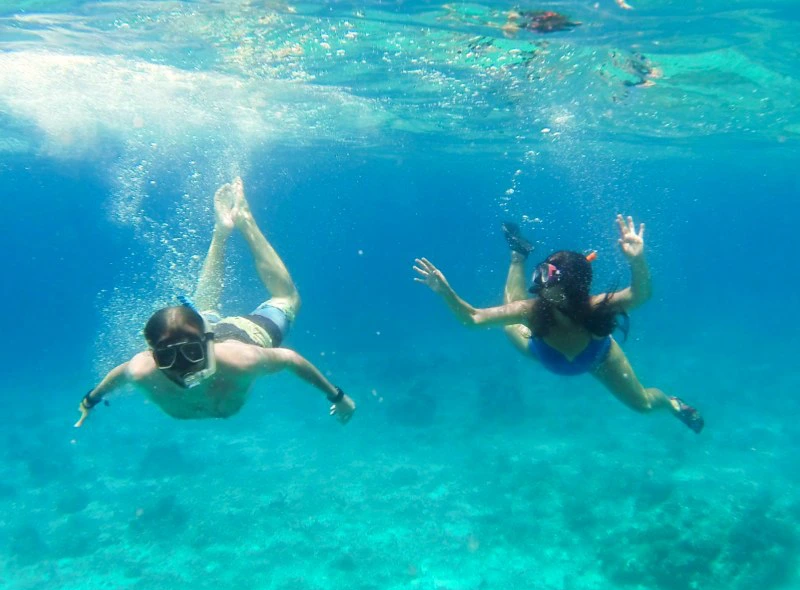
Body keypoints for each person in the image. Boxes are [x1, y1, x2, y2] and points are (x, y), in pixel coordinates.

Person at [76, 177, 356, 427]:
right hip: (201, 332)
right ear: (152, 355)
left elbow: (291, 359)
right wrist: (90, 400)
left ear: (209, 341)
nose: (183, 366)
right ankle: (221, 231)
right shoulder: (142, 370)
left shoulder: (242, 359)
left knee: (287, 299)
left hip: (243, 335)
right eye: (166, 357)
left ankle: (244, 221)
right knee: (202, 312)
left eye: (192, 354)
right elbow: (118, 375)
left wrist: (338, 395)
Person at [413, 215, 703, 433]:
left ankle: (672, 403)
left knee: (644, 404)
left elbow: (642, 294)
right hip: (538, 349)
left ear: (571, 289)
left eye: (546, 278)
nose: (538, 284)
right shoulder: (532, 309)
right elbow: (474, 318)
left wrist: (637, 261)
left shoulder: (596, 306)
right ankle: (519, 255)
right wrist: (446, 293)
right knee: (511, 313)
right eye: (542, 275)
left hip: (600, 359)